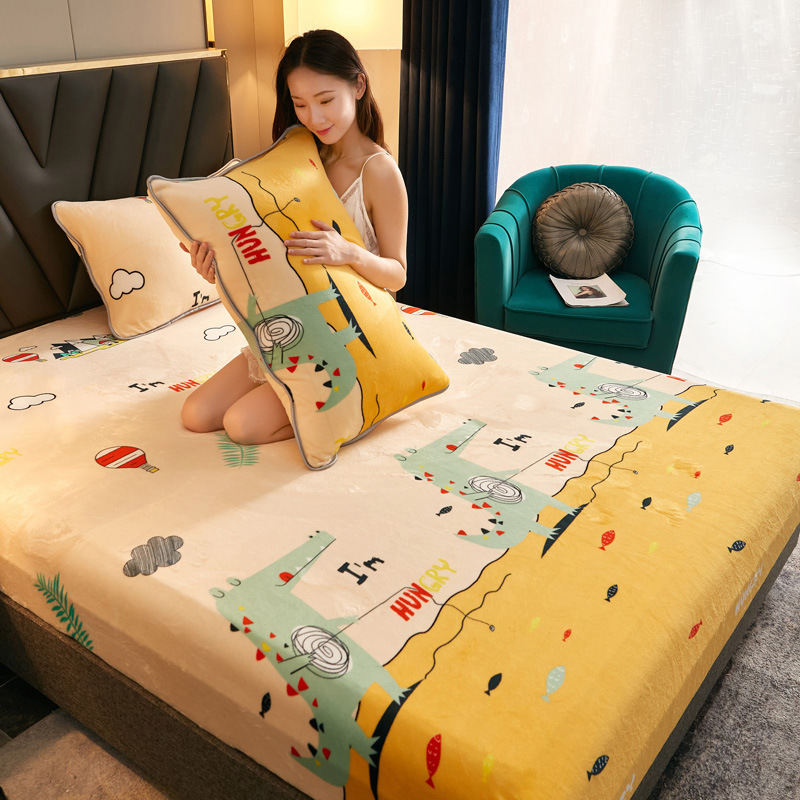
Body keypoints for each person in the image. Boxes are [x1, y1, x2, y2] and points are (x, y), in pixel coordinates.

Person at [179, 29, 408, 446]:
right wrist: (215, 264)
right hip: (293, 323)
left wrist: (348, 251)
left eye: (325, 100)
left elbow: (397, 275)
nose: (314, 118)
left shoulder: (378, 171)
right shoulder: (296, 158)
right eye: (300, 104)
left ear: (358, 86)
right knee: (196, 415)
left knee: (242, 425)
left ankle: (361, 401)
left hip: (352, 329)